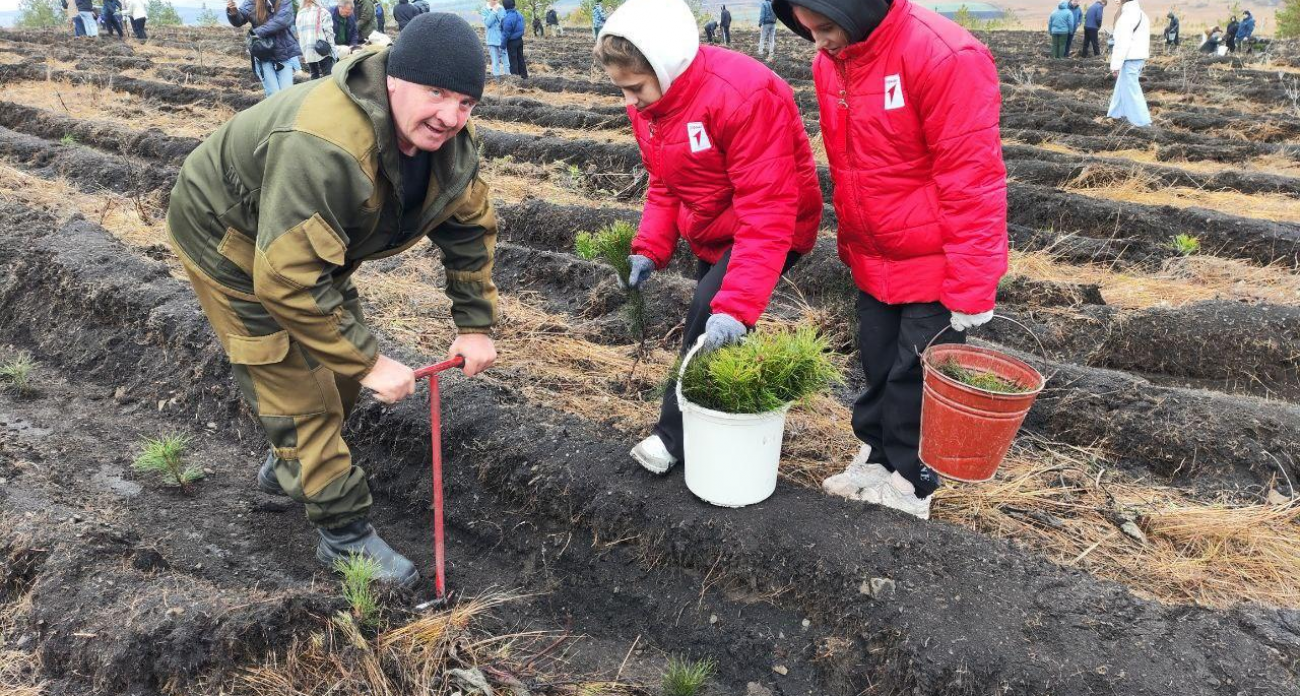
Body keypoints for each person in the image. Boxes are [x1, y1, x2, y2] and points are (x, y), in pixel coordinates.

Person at [166, 12, 499, 587]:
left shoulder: (452, 149)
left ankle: (291, 461)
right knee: (296, 382)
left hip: (311, 246)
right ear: (395, 78)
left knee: (340, 375)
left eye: (466, 102)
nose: (450, 115)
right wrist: (370, 361)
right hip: (229, 235)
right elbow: (285, 278)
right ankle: (344, 536)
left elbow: (468, 231)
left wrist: (475, 325)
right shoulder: (326, 143)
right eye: (437, 93)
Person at [775, 0, 1008, 519]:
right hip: (874, 251)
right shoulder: (832, 63)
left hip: (935, 257)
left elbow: (972, 178)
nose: (818, 42)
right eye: (809, 30)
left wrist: (973, 284)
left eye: (826, 28)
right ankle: (877, 457)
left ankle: (912, 481)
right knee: (879, 362)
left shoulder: (946, 56)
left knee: (916, 375)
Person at [595, 0, 822, 476]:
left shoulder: (743, 95)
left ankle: (672, 438)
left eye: (634, 88)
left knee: (710, 310)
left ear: (666, 66)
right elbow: (665, 181)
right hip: (714, 228)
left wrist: (736, 305)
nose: (629, 103)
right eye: (621, 91)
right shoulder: (652, 106)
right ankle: (722, 424)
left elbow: (769, 210)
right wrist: (649, 248)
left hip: (772, 225)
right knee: (718, 331)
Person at [229, 0, 301, 98]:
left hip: (283, 54)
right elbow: (239, 20)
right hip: (263, 55)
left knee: (286, 95)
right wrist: (233, 12)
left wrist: (257, 32)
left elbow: (283, 20)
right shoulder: (252, 1)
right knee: (273, 95)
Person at [1108, 0, 1151, 126]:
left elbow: (1122, 43)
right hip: (1138, 57)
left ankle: (1143, 123)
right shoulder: (1141, 14)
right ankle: (1114, 116)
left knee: (1132, 90)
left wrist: (1115, 65)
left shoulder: (1126, 16)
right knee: (1122, 87)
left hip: (1130, 57)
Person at [296, 0, 336, 79]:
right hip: (322, 49)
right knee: (328, 76)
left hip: (308, 51)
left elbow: (300, 35)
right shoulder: (323, 12)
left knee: (314, 75)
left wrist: (304, 53)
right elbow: (329, 33)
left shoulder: (300, 14)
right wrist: (333, 51)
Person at [482, 0, 509, 78]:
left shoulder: (502, 8)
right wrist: (494, 11)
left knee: (506, 61)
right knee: (495, 62)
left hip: (502, 39)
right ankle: (497, 80)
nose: (495, 1)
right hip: (491, 39)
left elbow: (504, 22)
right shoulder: (484, 9)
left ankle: (509, 79)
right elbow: (488, 23)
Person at [503, 0, 528, 78]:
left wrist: (502, 45)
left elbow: (506, 33)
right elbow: (523, 26)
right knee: (520, 58)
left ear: (505, 6)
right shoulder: (519, 14)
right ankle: (524, 77)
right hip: (520, 40)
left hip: (512, 42)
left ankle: (515, 79)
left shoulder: (508, 18)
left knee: (513, 61)